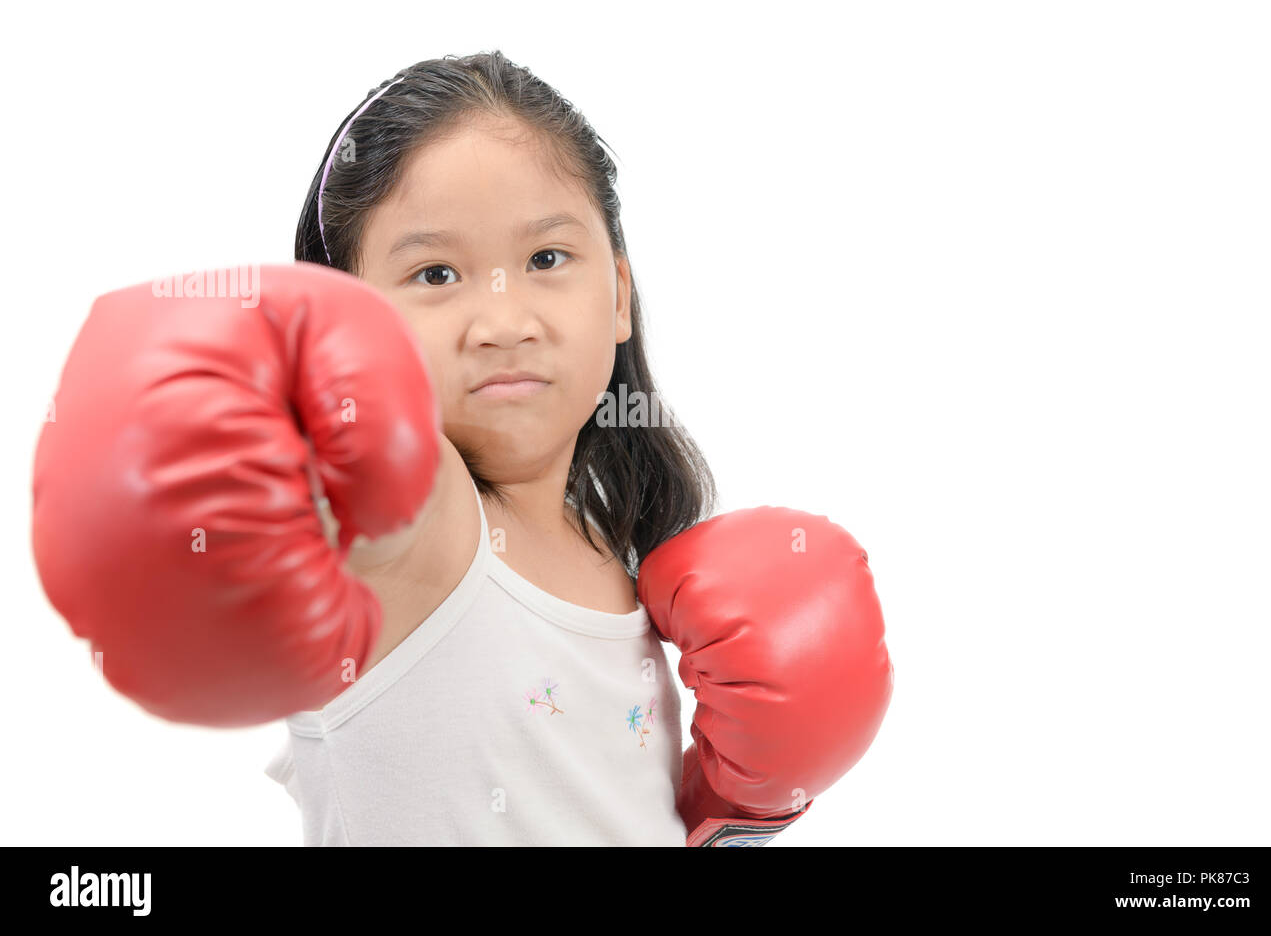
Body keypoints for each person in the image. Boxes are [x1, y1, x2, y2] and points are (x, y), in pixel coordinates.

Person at [33, 51, 893, 846]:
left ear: (619, 295)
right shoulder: (423, 533)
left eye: (547, 257)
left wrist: (731, 810)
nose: (503, 321)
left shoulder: (615, 556)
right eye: (435, 275)